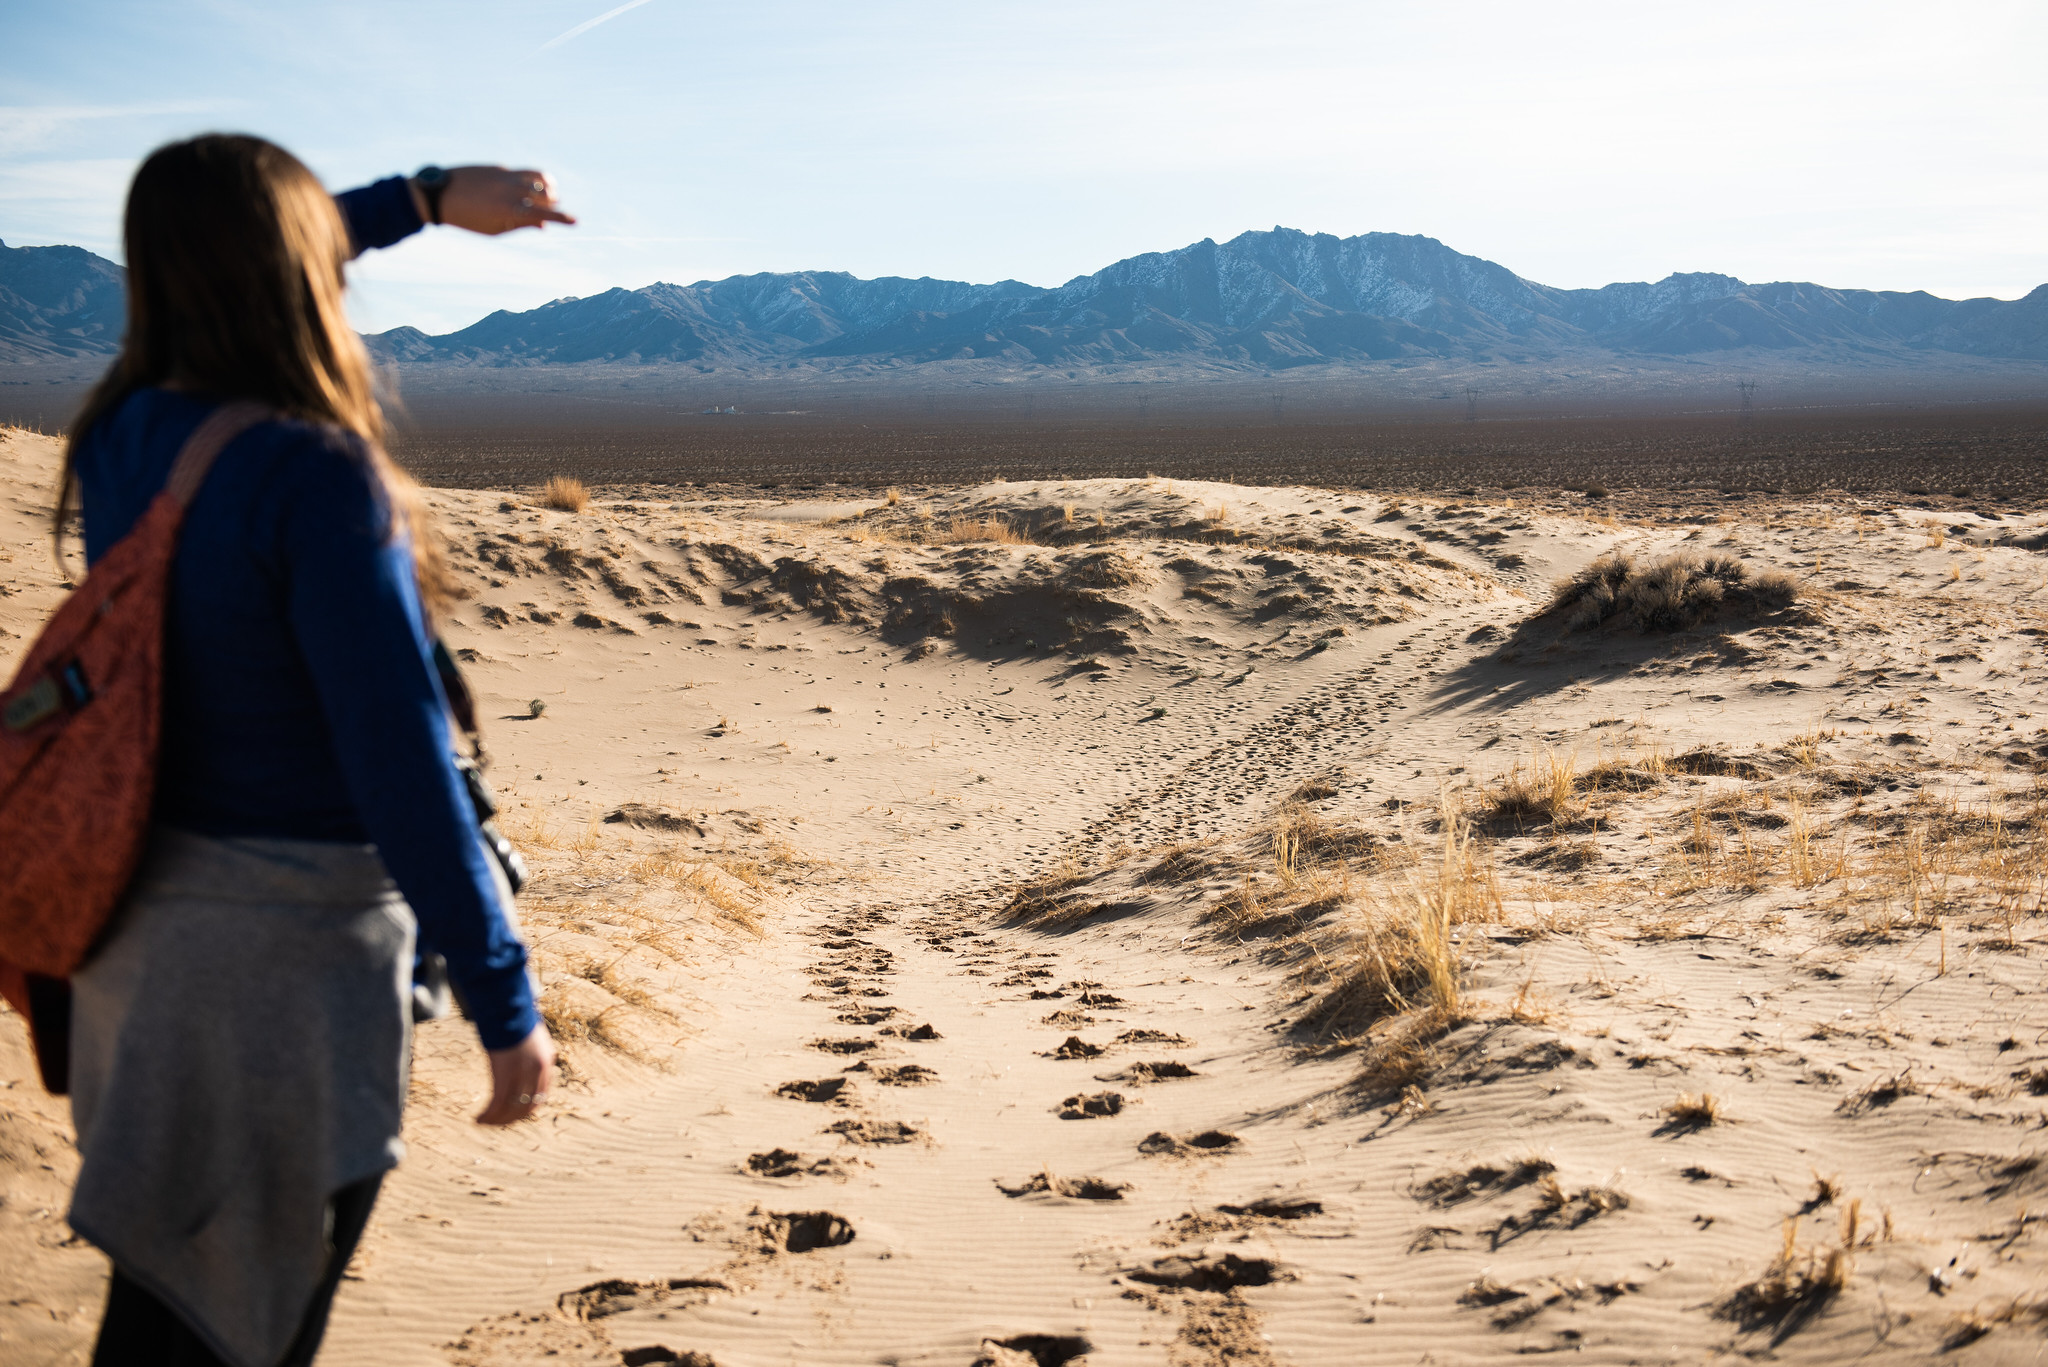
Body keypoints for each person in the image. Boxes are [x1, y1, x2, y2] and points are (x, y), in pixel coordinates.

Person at [54, 134, 573, 1367]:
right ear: (297, 267)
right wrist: (503, 998)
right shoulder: (312, 476)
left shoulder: (125, 435)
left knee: (167, 1304)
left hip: (138, 954)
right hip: (280, 978)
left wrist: (430, 202)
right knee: (240, 1331)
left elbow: (242, 250)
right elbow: (398, 767)